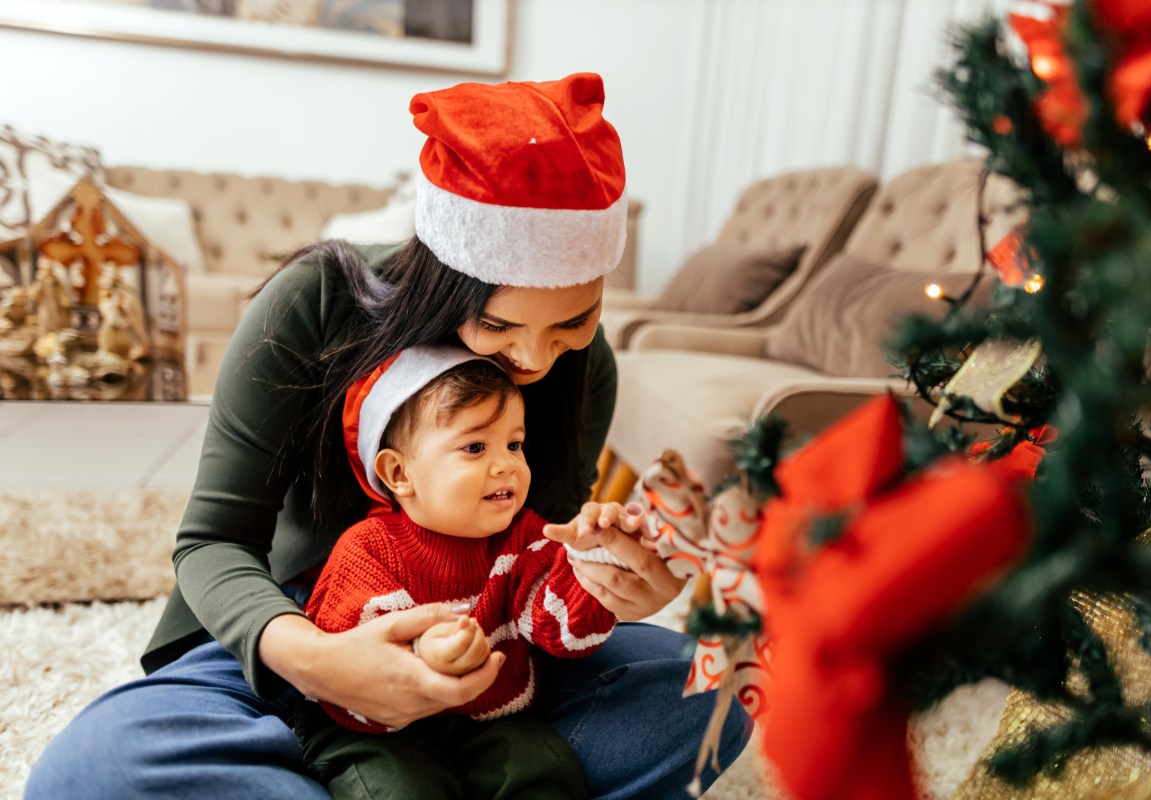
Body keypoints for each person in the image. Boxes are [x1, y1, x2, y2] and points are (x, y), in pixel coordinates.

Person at [24, 72, 752, 800]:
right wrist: (315, 660)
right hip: (301, 625)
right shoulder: (312, 304)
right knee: (89, 775)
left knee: (710, 691)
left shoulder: (584, 372)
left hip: (491, 644)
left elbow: (539, 552)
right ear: (445, 279)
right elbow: (212, 542)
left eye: (572, 325)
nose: (534, 362)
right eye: (499, 327)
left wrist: (611, 589)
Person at [296, 346, 621, 799]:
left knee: (544, 767)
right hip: (381, 728)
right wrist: (423, 650)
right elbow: (348, 653)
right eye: (475, 447)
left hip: (490, 717)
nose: (507, 462)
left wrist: (597, 567)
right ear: (399, 473)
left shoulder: (523, 537)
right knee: (399, 790)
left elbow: (562, 631)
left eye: (514, 444)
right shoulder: (367, 551)